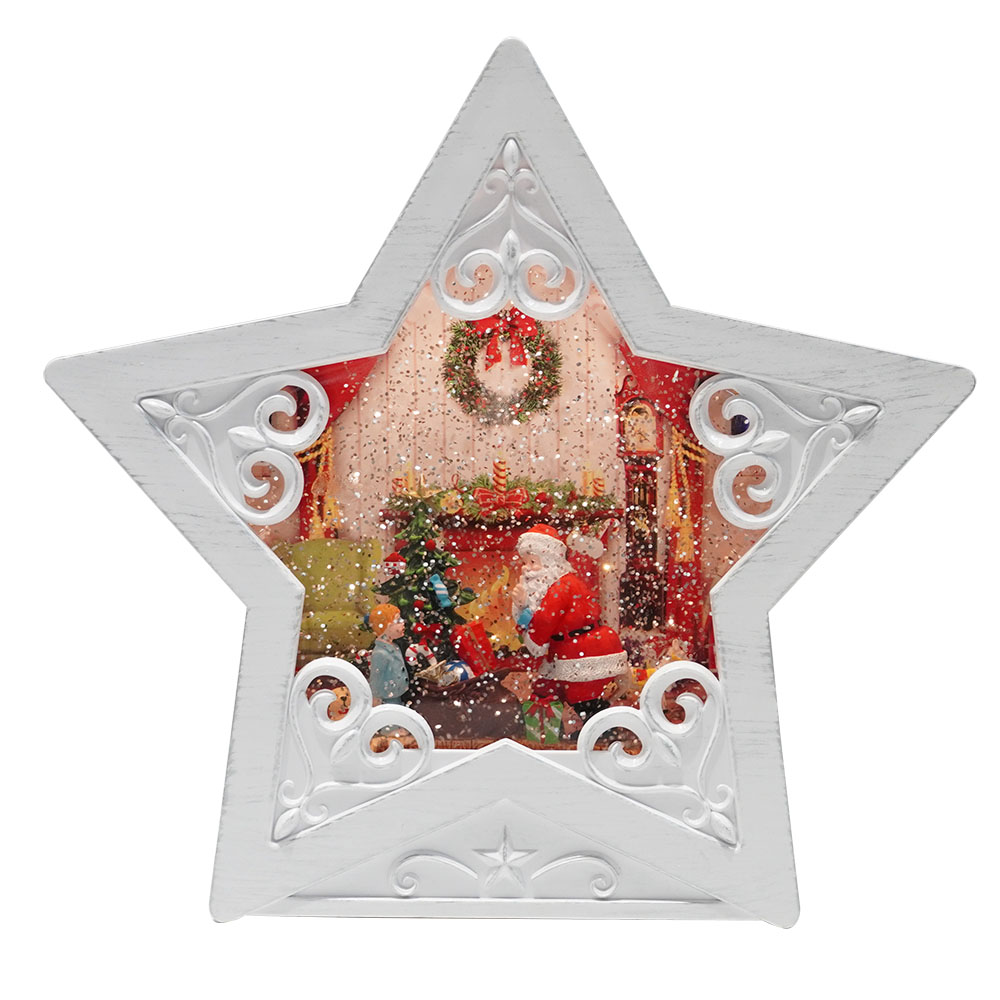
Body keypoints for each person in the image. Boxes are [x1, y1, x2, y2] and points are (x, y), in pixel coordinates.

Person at [511, 524, 628, 722]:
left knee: (583, 700)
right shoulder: (561, 583)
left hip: (584, 650)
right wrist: (522, 607)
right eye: (525, 562)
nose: (527, 568)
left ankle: (593, 730)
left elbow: (543, 623)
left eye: (533, 562)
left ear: (550, 562)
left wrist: (523, 612)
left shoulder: (560, 588)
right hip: (575, 648)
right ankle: (581, 725)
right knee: (562, 694)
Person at [368, 603, 409, 705]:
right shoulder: (380, 653)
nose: (403, 622)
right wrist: (375, 698)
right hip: (387, 699)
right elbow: (376, 678)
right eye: (398, 620)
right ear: (388, 626)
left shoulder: (394, 646)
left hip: (396, 696)